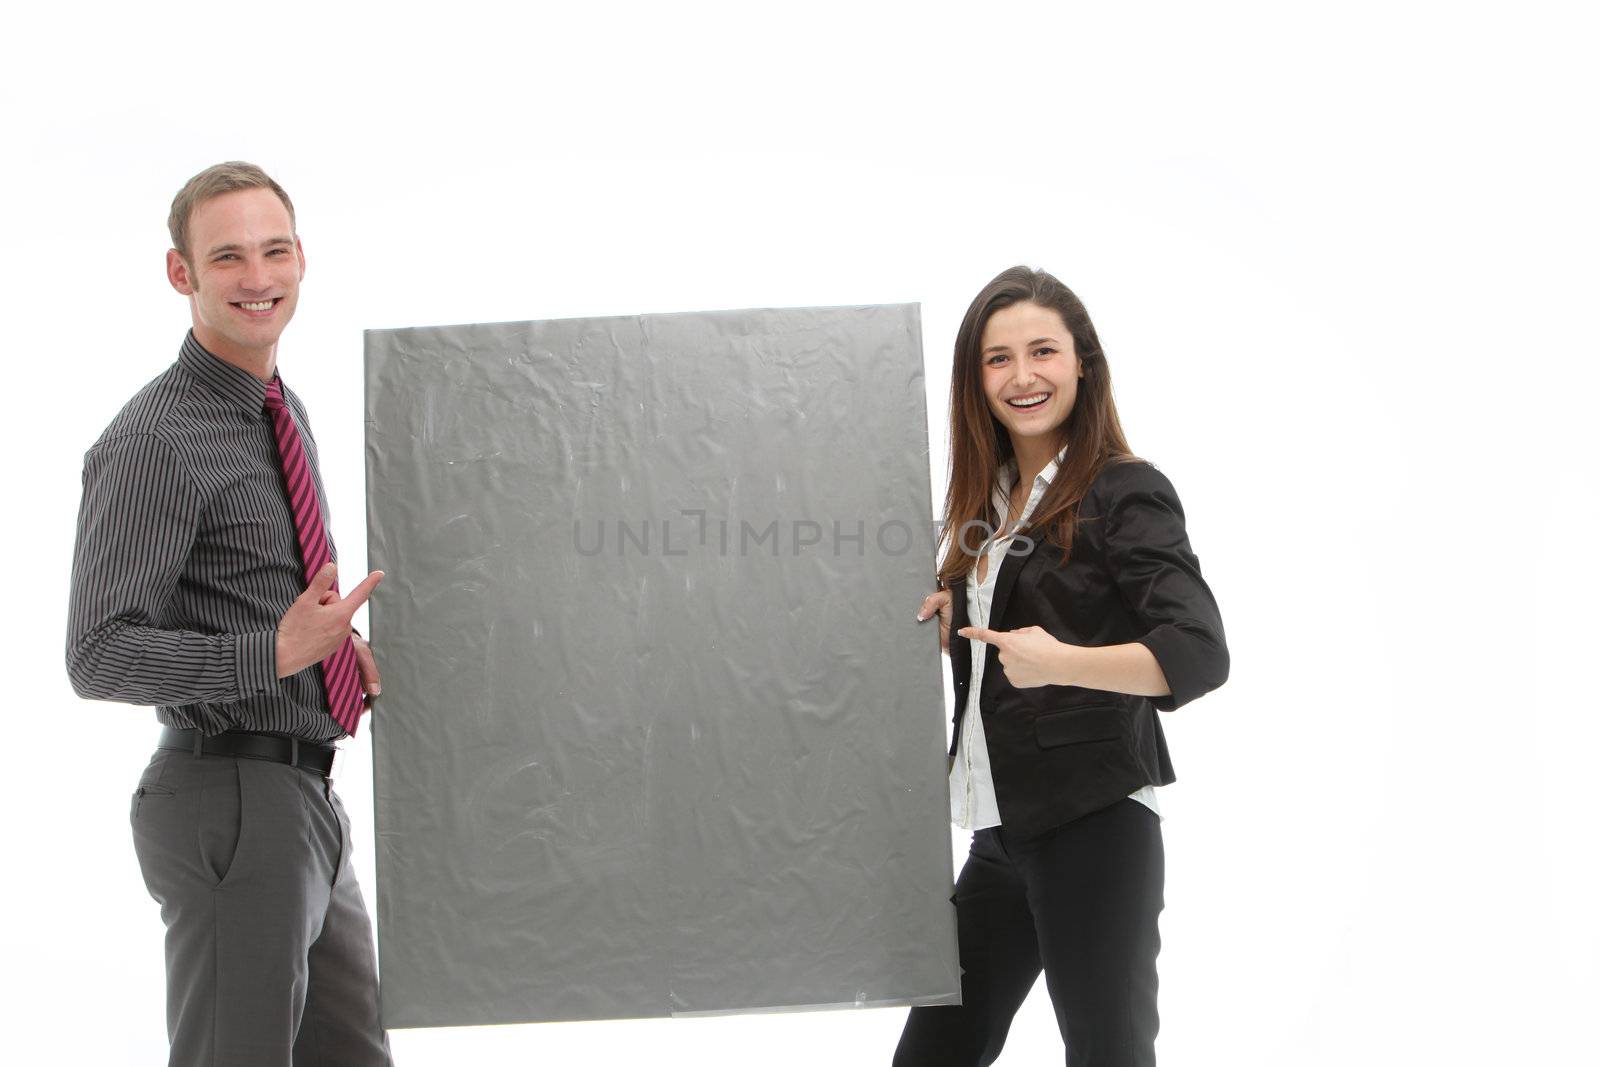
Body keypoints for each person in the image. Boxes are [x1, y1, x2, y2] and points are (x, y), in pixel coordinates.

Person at [66, 162, 393, 1066]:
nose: (259, 278)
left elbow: (265, 602)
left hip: (307, 799)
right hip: (230, 799)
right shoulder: (155, 439)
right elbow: (96, 655)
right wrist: (275, 649)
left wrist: (336, 649)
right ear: (184, 275)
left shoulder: (284, 414)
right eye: (229, 257)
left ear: (301, 259)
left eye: (275, 250)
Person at [895, 267, 1228, 1066]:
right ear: (974, 380)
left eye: (1042, 350)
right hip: (999, 836)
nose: (1023, 375)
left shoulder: (1125, 490)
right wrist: (952, 607)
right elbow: (1012, 606)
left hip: (1094, 825)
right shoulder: (989, 504)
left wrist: (1065, 663)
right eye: (996, 358)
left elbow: (1199, 649)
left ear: (1083, 362)